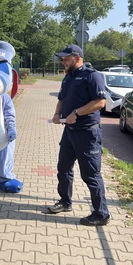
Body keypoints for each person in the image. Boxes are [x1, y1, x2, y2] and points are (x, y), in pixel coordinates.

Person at [48, 44, 110, 226]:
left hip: (87, 133)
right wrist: (57, 114)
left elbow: (100, 102)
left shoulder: (92, 76)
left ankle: (101, 214)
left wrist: (77, 113)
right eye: (63, 59)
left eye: (66, 58)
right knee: (63, 168)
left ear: (77, 57)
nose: (63, 61)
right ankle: (65, 202)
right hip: (69, 132)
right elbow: (61, 99)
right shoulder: (67, 78)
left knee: (91, 174)